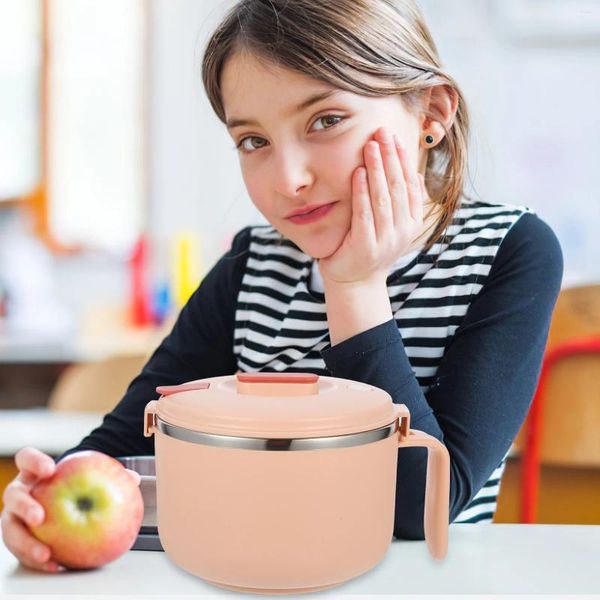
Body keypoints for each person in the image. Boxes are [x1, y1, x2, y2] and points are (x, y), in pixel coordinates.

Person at [2, 0, 563, 573]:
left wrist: (355, 287)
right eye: (253, 141)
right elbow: (121, 448)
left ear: (431, 113)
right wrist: (41, 503)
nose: (289, 180)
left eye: (325, 121)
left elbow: (420, 511)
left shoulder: (510, 250)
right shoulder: (253, 263)